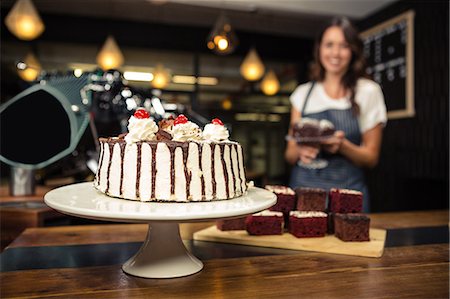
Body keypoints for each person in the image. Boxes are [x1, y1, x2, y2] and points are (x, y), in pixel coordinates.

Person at [285, 17, 387, 212]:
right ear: (319, 50)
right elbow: (289, 154)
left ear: (353, 52)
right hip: (303, 195)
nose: (335, 53)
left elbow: (371, 158)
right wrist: (301, 150)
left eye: (344, 46)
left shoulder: (368, 91)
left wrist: (342, 146)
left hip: (348, 198)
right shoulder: (302, 94)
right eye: (329, 45)